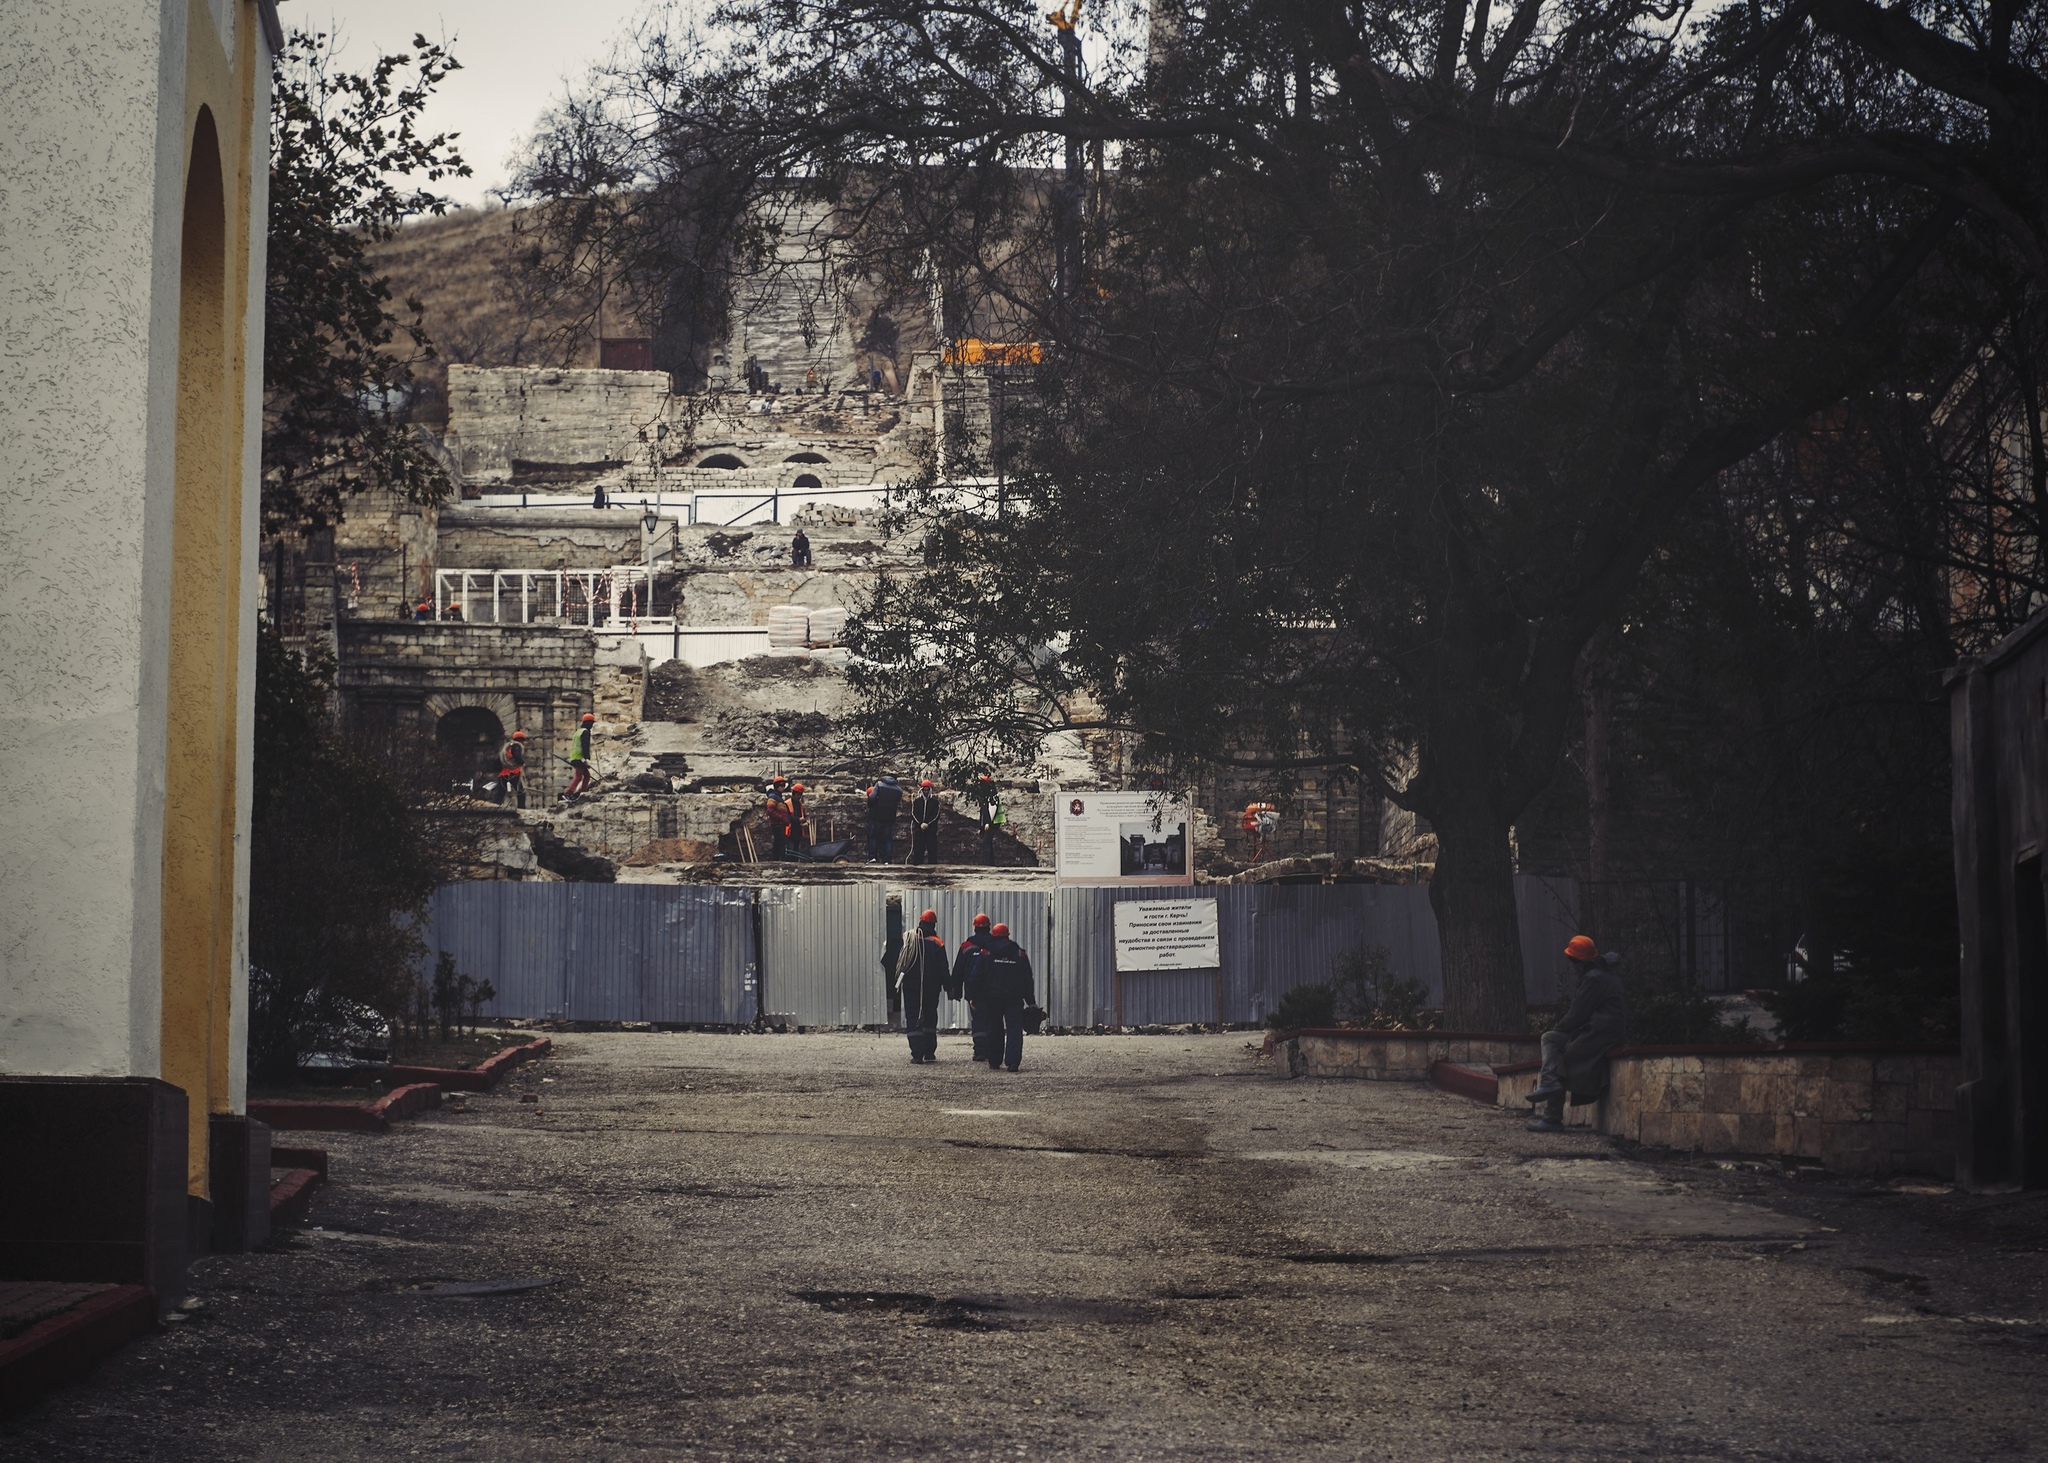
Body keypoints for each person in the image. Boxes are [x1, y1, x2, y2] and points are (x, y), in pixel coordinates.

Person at [1526, 936, 1628, 1131]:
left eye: (1572, 961)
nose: (1572, 966)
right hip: (1603, 1031)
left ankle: (1552, 1114)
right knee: (1553, 1044)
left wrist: (1559, 1028)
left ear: (1580, 962)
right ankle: (1550, 1093)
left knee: (1555, 1048)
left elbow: (1577, 1014)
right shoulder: (1604, 975)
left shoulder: (1594, 978)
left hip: (1600, 1033)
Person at [966, 921, 1035, 1073]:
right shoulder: (1019, 954)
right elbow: (1027, 980)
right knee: (1014, 1030)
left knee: (994, 1028)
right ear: (1007, 936)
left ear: (994, 935)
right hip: (1014, 999)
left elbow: (976, 976)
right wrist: (1031, 1002)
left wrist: (973, 996)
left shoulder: (986, 953)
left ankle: (994, 1061)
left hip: (992, 998)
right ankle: (1012, 1062)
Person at [895, 909, 950, 1063]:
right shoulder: (937, 942)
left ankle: (917, 1054)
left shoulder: (907, 939)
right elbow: (943, 968)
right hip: (931, 987)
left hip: (911, 986)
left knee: (913, 1017)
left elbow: (897, 960)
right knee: (930, 1017)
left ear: (920, 922)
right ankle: (929, 1052)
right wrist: (949, 987)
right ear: (933, 924)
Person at [954, 914, 997, 1063]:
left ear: (975, 927)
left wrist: (956, 990)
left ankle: (980, 1052)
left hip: (974, 991)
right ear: (988, 927)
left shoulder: (966, 946)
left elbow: (958, 970)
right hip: (993, 990)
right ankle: (993, 1052)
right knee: (993, 1020)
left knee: (978, 1020)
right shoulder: (996, 944)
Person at [866, 773, 904, 863]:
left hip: (876, 815)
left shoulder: (879, 785)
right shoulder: (899, 790)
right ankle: (887, 860)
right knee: (888, 839)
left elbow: (872, 797)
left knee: (873, 837)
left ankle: (872, 857)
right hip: (890, 817)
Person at [909, 779, 942, 866]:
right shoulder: (917, 801)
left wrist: (928, 823)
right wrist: (920, 824)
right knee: (918, 848)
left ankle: (933, 866)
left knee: (932, 849)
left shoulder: (935, 802)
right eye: (924, 790)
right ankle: (917, 866)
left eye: (927, 790)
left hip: (931, 829)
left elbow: (936, 815)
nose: (926, 792)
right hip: (919, 829)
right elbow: (913, 813)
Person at [971, 774, 1002, 865]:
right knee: (988, 843)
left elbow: (992, 811)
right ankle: (991, 863)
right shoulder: (985, 797)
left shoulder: (992, 797)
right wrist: (981, 827)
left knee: (986, 843)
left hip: (992, 823)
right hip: (987, 824)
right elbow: (983, 813)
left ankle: (985, 863)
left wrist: (989, 823)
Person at [494, 729, 528, 808]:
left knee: (500, 793)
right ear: (521, 740)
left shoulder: (506, 747)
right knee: (521, 792)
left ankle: (494, 807)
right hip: (513, 773)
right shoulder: (517, 746)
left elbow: (498, 760)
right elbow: (517, 756)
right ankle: (521, 809)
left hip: (503, 774)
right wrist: (522, 762)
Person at [565, 713, 596, 799]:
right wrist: (586, 759)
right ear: (588, 723)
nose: (592, 725)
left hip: (575, 757)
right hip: (580, 758)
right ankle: (568, 793)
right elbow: (585, 746)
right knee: (578, 777)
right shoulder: (585, 732)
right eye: (592, 723)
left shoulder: (577, 732)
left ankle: (583, 793)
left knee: (587, 776)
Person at [765, 776, 793, 860]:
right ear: (777, 786)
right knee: (781, 843)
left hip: (780, 824)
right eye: (781, 786)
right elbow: (770, 810)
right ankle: (781, 860)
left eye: (784, 785)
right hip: (777, 824)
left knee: (778, 843)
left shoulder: (779, 797)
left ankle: (776, 860)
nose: (783, 788)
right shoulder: (773, 797)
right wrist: (781, 818)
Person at [787, 781, 809, 858]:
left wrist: (805, 822)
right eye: (798, 794)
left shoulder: (800, 805)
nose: (799, 797)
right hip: (790, 832)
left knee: (796, 852)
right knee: (790, 852)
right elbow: (787, 817)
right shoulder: (787, 803)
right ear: (794, 793)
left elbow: (803, 816)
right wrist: (799, 819)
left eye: (800, 795)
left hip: (798, 832)